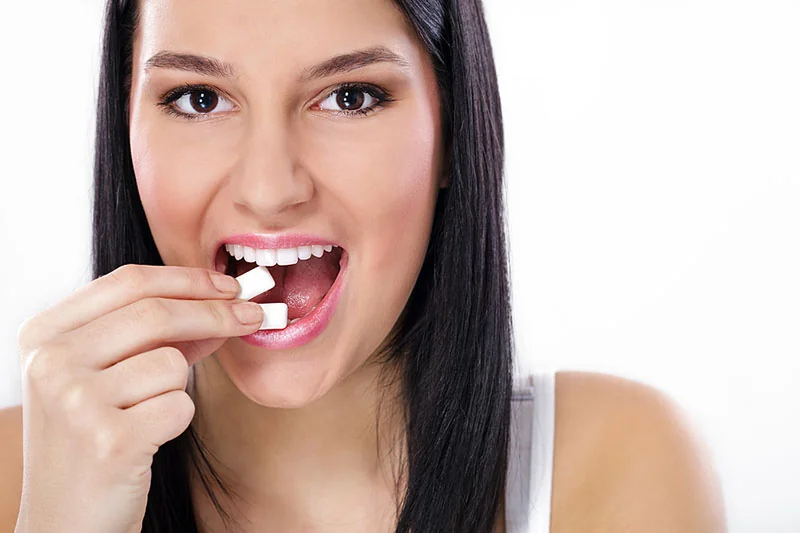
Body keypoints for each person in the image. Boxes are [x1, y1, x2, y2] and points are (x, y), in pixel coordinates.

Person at [1, 0, 726, 531]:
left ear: (450, 133)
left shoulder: (615, 467)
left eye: (349, 97)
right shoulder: (22, 482)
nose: (270, 187)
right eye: (200, 98)